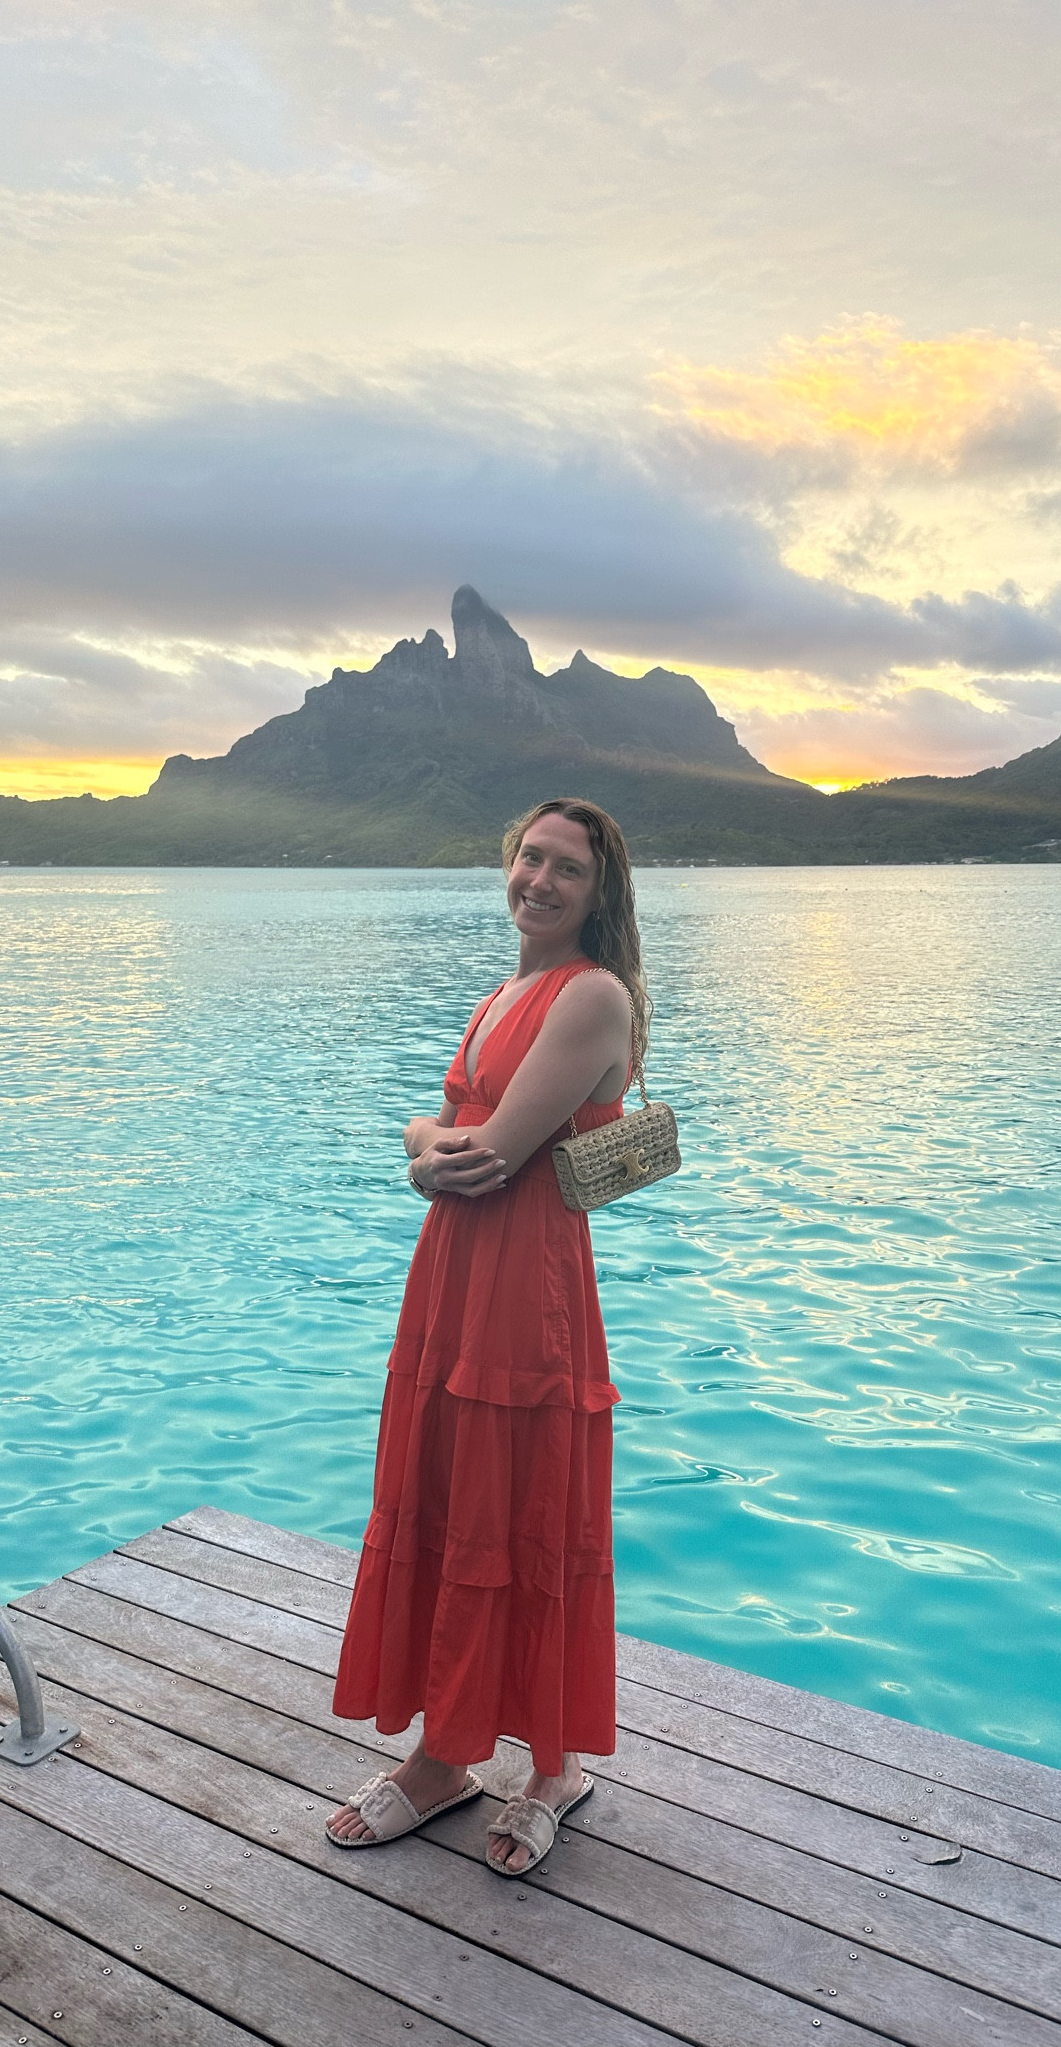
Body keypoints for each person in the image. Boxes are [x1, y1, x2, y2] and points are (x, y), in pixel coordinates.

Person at [326, 796, 648, 1876]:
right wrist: (430, 1139)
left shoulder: (593, 994)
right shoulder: (503, 990)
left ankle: (550, 1765)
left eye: (569, 869)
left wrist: (423, 1146)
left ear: (600, 894)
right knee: (460, 1492)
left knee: (522, 1504)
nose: (541, 880)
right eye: (531, 857)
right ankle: (452, 1753)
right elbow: (444, 1132)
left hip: (524, 1289)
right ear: (506, 863)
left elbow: (486, 1156)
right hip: (458, 1278)